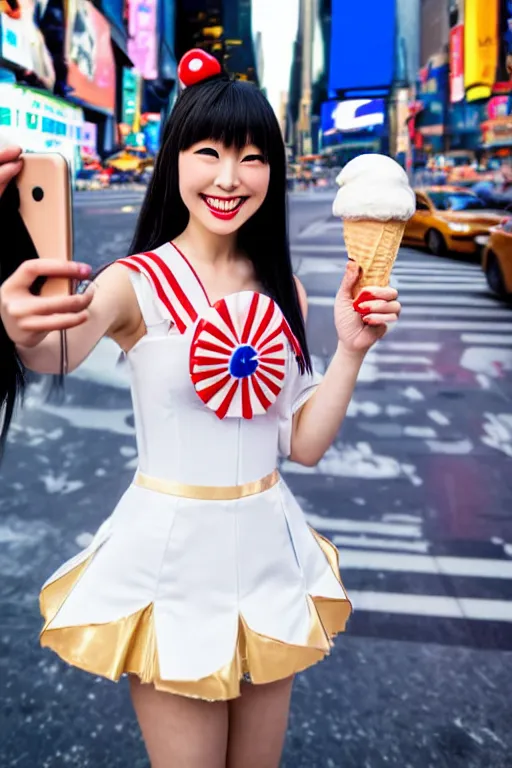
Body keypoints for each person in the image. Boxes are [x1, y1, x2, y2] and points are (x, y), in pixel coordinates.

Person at [0, 50, 401, 768]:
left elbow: (302, 445)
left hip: (269, 551)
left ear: (272, 172)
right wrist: (22, 324)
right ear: (174, 161)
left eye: (250, 158)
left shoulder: (285, 290)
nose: (227, 177)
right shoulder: (135, 282)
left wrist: (352, 349)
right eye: (207, 152)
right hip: (173, 565)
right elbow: (55, 351)